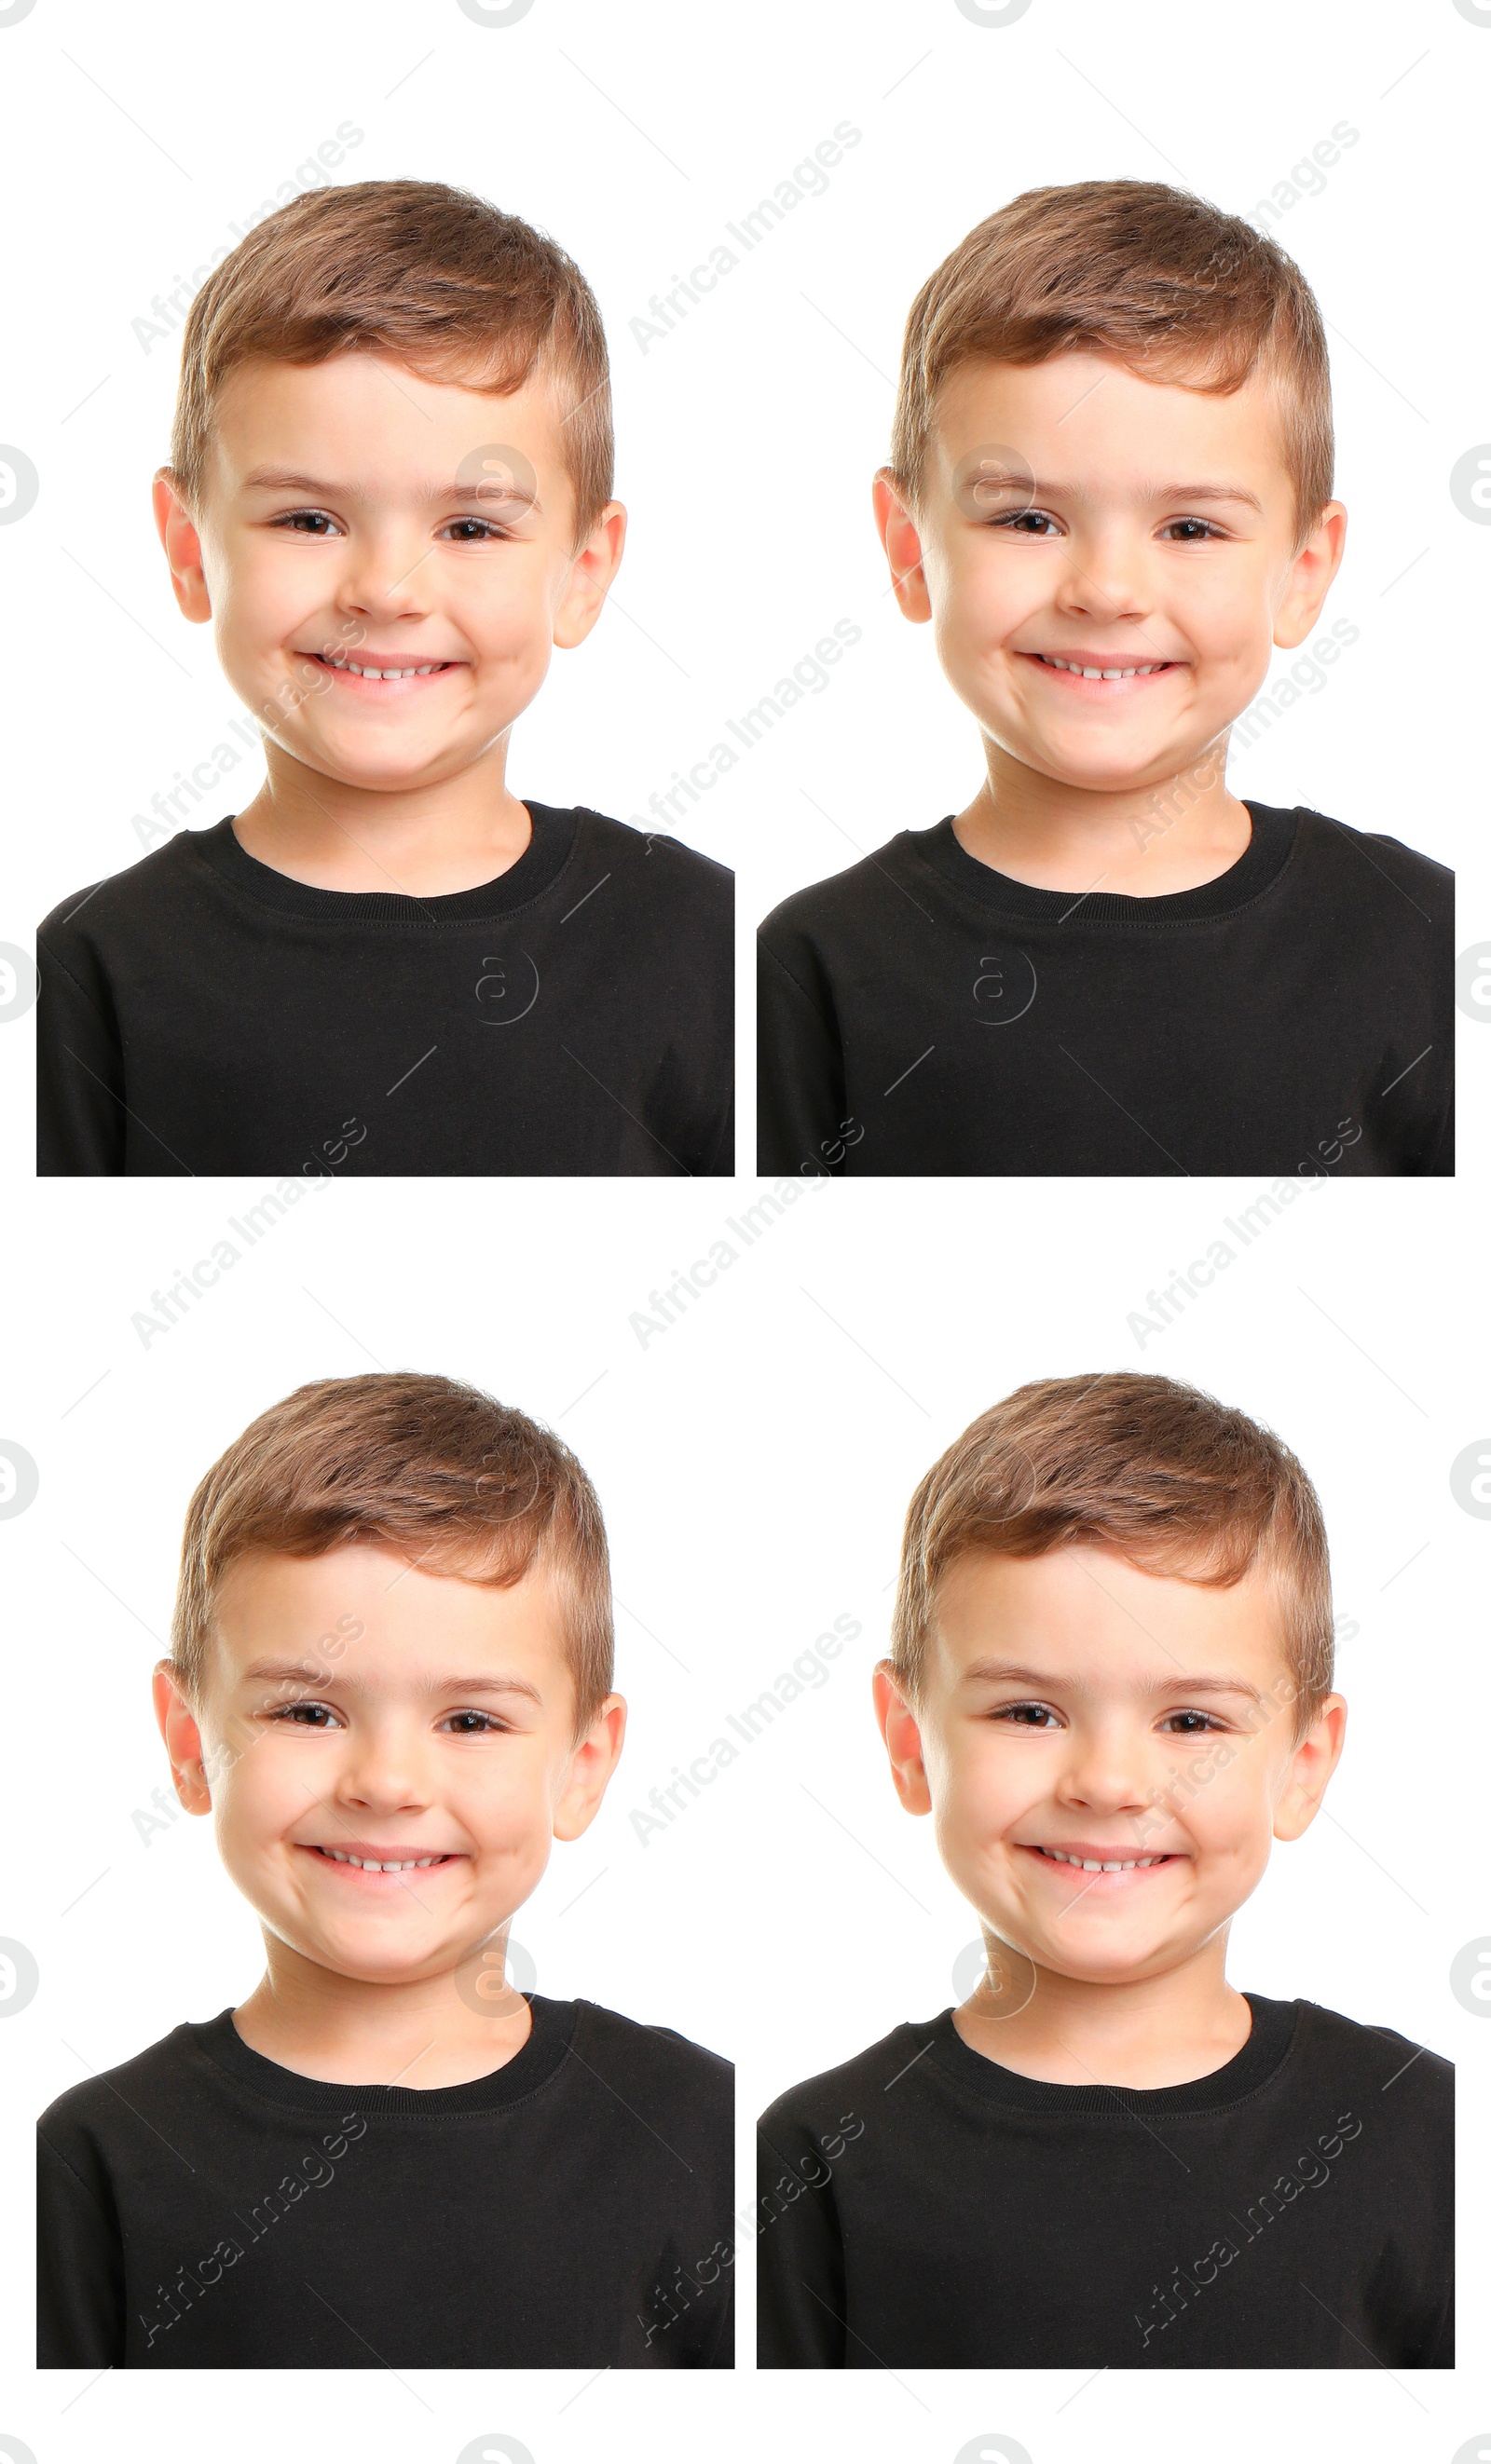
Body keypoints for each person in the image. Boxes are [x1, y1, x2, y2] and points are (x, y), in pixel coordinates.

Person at [37, 1372, 733, 2367]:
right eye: (308, 1711)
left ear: (583, 1763)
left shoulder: (699, 2129)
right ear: (189, 1742)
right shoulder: (95, 2161)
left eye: (471, 1719)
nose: (387, 1781)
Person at [37, 182, 732, 1177]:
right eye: (308, 520)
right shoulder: (96, 965)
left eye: (471, 527)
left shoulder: (701, 942)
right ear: (189, 550)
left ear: (583, 571)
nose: (385, 591)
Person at [757, 1371, 1452, 2366]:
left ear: (1303, 1762)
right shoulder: (819, 2157)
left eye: (1191, 1720)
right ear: (908, 1742)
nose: (1110, 1781)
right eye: (1029, 1711)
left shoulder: (1423, 2133)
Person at [757, 181, 1450, 1177]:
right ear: (910, 550)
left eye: (1191, 527)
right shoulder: (814, 967)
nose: (1108, 590)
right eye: (1028, 519)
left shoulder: (1419, 940)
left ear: (1302, 572)